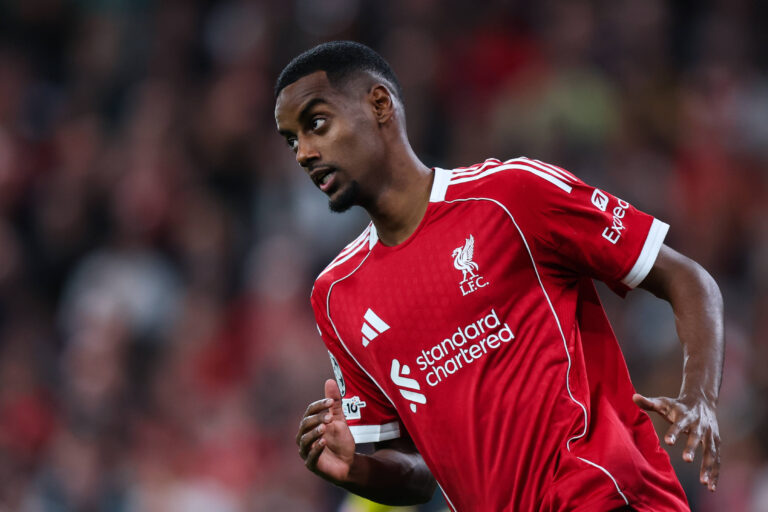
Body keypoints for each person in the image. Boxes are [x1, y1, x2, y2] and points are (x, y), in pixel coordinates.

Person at [274, 41, 723, 511]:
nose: (304, 152)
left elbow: (688, 279)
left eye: (316, 124)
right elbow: (422, 474)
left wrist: (700, 398)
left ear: (380, 104)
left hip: (607, 495)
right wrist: (357, 469)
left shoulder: (510, 195)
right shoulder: (337, 295)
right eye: (292, 140)